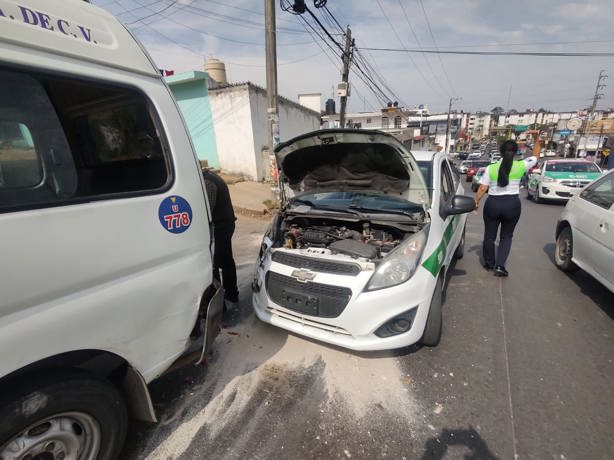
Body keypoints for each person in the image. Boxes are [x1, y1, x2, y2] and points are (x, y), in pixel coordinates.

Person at [474, 140, 537, 277]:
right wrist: (532, 144)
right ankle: (500, 266)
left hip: (493, 204)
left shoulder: (491, 168)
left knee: (489, 236)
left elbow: (483, 187)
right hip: (512, 204)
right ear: (515, 152)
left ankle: (489, 263)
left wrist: (476, 202)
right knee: (506, 236)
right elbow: (534, 158)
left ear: (501, 152)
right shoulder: (521, 165)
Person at [202, 169, 239, 303]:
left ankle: (219, 304)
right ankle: (232, 294)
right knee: (226, 261)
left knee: (214, 265)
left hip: (220, 228)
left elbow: (207, 212)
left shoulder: (207, 182)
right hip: (225, 225)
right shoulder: (211, 176)